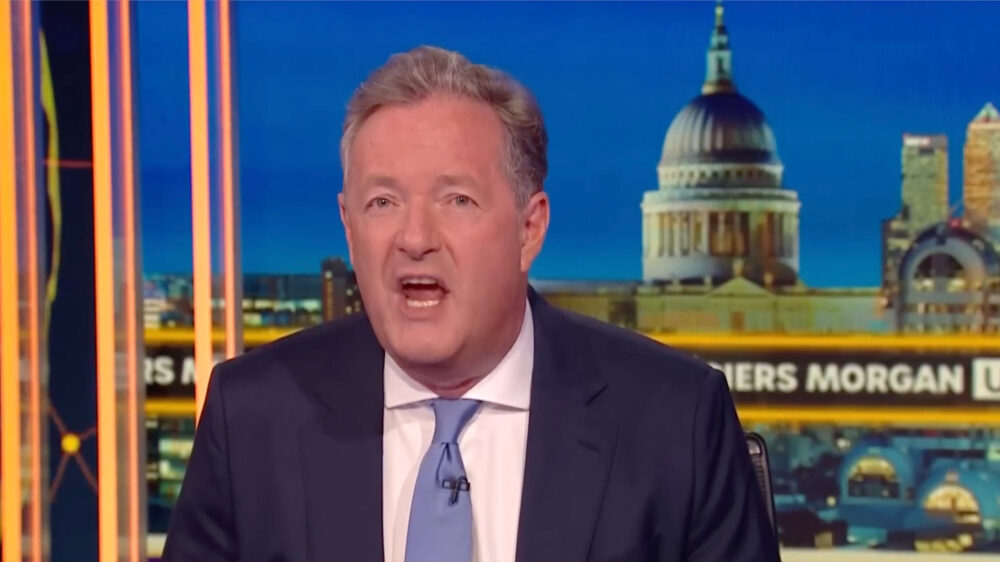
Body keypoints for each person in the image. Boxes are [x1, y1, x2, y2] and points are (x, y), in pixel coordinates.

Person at [163, 46, 780, 562]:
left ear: (529, 229)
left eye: (456, 200)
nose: (414, 238)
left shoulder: (674, 420)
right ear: (348, 228)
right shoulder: (253, 417)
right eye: (383, 203)